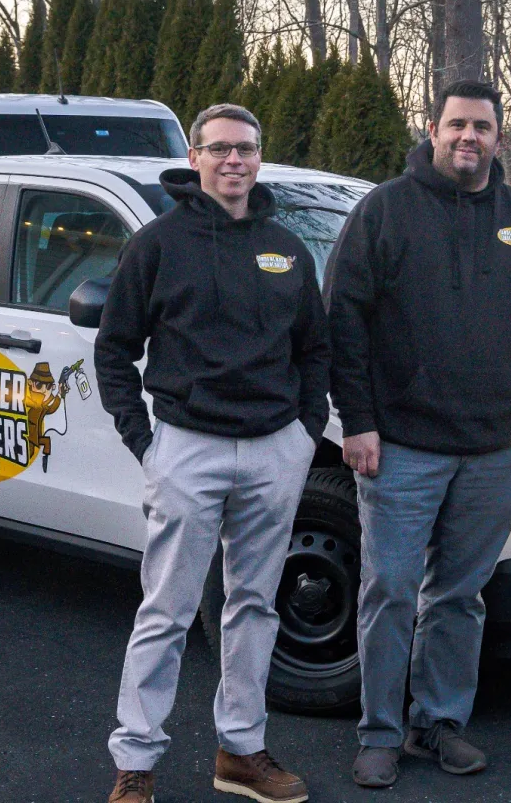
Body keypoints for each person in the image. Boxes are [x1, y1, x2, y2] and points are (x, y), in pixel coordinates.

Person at [326, 79, 511, 788]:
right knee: (391, 590)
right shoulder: (383, 211)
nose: (470, 137)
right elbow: (344, 321)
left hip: (495, 450)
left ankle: (441, 724)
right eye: (457, 124)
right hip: (401, 447)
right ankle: (380, 731)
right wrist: (359, 422)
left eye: (483, 127)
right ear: (432, 128)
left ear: (500, 136)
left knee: (460, 597)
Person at [95, 103, 330, 803]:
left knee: (255, 605)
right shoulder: (158, 244)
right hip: (187, 448)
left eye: (247, 148)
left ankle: (242, 751)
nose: (235, 160)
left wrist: (303, 433)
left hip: (273, 452)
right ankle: (134, 763)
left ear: (260, 157)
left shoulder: (287, 247)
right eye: (220, 148)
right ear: (195, 158)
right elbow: (114, 349)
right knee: (165, 611)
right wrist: (147, 442)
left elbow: (313, 348)